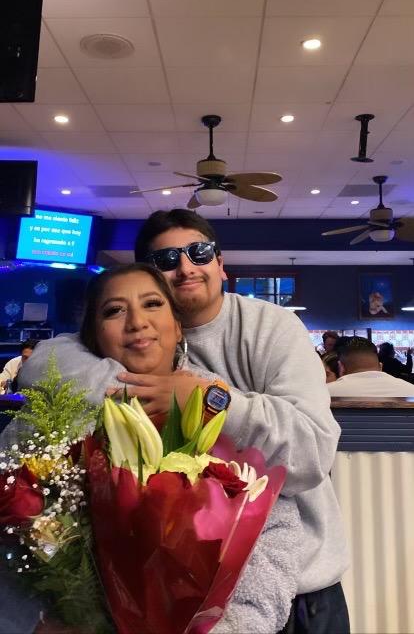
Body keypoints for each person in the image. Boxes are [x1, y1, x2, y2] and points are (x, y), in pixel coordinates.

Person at [20, 209, 349, 633]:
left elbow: (312, 456)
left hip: (301, 582)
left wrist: (205, 400)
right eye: (167, 259)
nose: (186, 267)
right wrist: (143, 390)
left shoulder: (272, 327)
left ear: (221, 264)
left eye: (200, 252)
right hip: (157, 596)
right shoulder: (133, 338)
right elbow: (43, 363)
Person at [330, 337, 414, 397]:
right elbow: (407, 370)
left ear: (341, 368)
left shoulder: (327, 393)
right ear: (380, 367)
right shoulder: (410, 390)